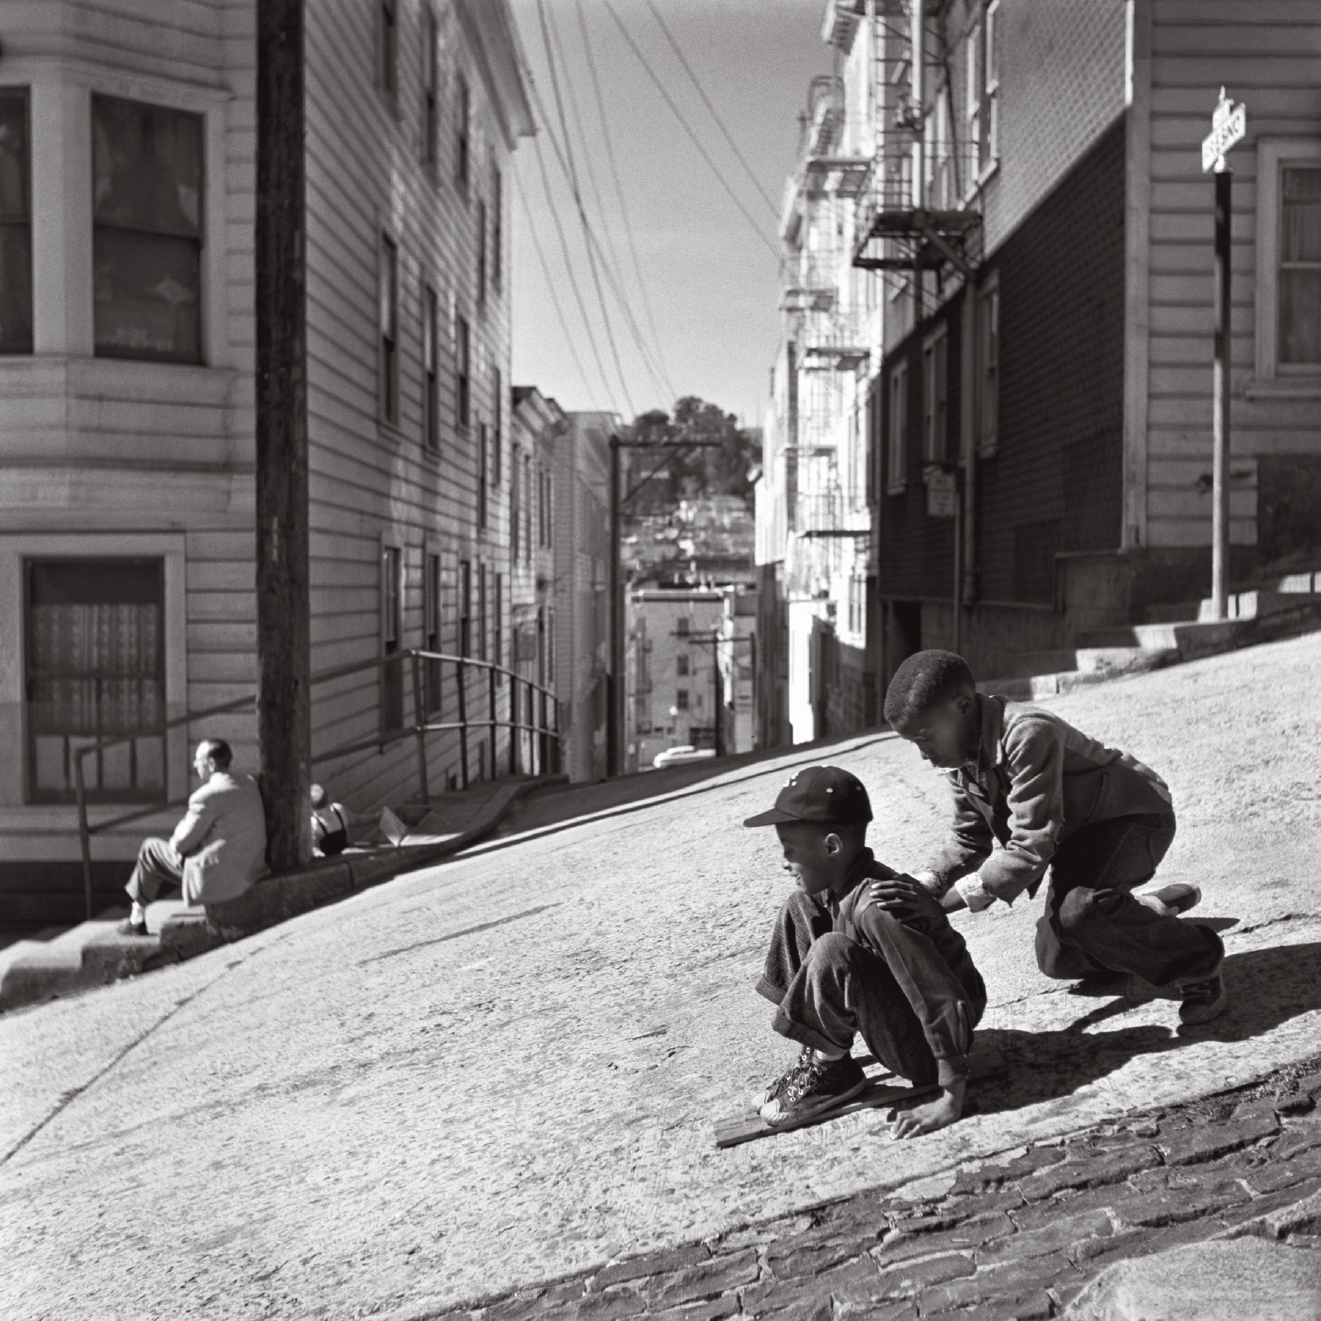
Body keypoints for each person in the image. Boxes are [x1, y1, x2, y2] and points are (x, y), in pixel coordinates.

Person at [880, 650, 1226, 1026]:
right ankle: (1144, 916)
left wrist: (943, 905)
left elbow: (1031, 845)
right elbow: (968, 841)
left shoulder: (1027, 733)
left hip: (1133, 816)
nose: (923, 754)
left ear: (962, 706)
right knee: (1057, 961)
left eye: (925, 738)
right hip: (1079, 837)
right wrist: (923, 884)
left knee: (1080, 911)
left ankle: (1198, 963)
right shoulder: (962, 757)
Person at [746, 765, 987, 1138]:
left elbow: (942, 998)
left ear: (831, 846)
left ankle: (831, 1070)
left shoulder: (878, 907)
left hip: (927, 1047)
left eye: (790, 851)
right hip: (902, 1016)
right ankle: (825, 1058)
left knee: (832, 951)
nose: (783, 861)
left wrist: (950, 1098)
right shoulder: (834, 886)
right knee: (799, 905)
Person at [118, 739, 268, 936]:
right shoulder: (248, 783)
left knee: (150, 849)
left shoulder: (206, 795)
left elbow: (180, 844)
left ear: (211, 764)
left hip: (219, 875)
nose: (195, 765)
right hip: (251, 867)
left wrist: (180, 838)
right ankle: (136, 916)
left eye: (198, 760)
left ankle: (136, 919)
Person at [310, 784, 350, 856]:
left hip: (345, 856)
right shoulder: (314, 823)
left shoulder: (339, 810)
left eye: (326, 809)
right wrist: (318, 853)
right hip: (329, 862)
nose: (324, 813)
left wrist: (375, 817)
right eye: (320, 812)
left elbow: (356, 819)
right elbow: (314, 847)